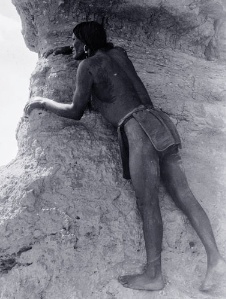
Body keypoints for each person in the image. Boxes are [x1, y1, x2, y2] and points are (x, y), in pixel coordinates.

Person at [24, 21, 226, 292]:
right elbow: (98, 55)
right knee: (184, 194)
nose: (71, 45)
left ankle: (154, 274)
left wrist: (41, 102)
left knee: (148, 203)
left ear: (85, 44)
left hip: (138, 129)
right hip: (158, 121)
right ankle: (216, 259)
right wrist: (67, 49)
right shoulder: (118, 54)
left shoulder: (87, 66)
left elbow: (75, 110)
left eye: (74, 41)